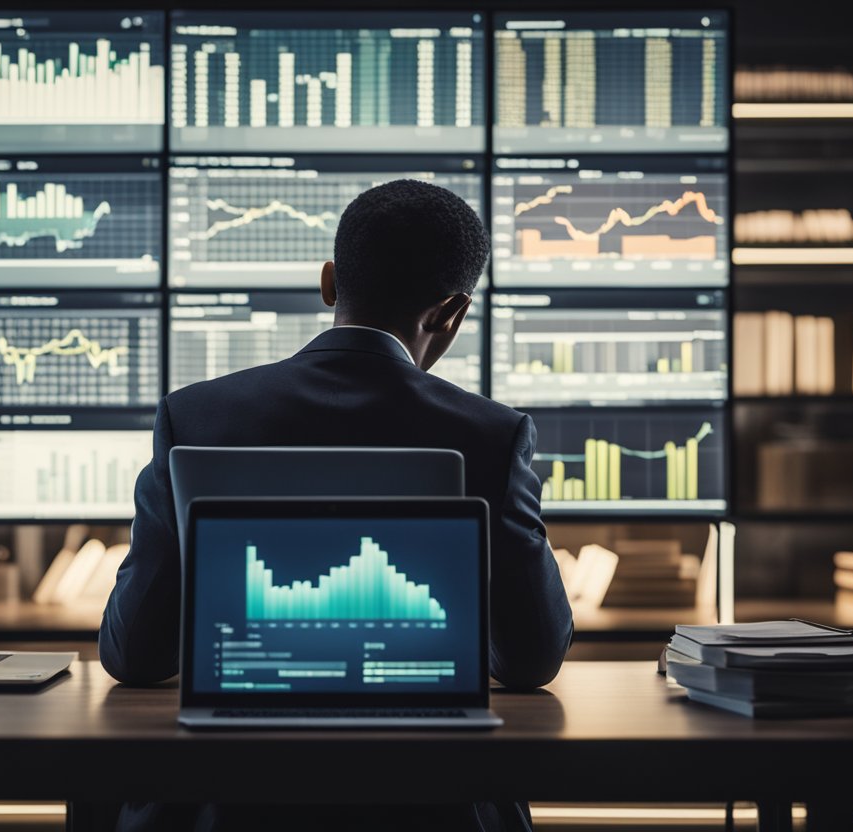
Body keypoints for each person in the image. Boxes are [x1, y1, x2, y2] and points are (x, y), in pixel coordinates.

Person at [99, 179, 574, 832]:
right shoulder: (493, 435)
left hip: (219, 812)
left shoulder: (196, 414)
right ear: (453, 311)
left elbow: (136, 658)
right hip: (434, 813)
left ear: (329, 282)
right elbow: (530, 661)